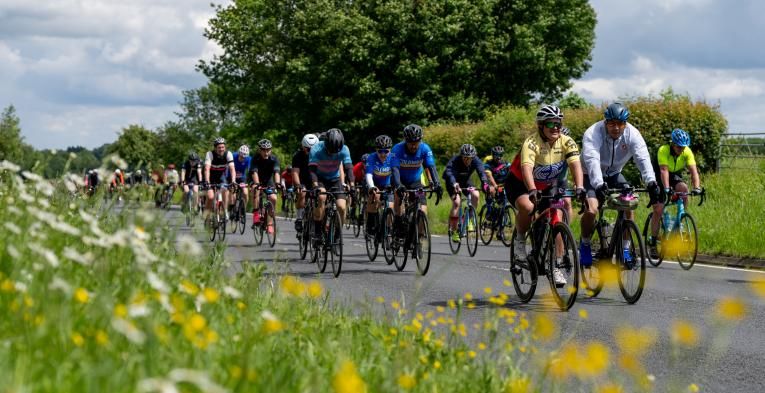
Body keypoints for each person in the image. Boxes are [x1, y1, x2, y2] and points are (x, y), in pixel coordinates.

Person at [505, 105, 586, 286]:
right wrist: (532, 189)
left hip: (548, 185)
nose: (556, 127)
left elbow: (575, 165)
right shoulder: (531, 143)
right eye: (551, 123)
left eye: (558, 123)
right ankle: (519, 241)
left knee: (556, 216)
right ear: (541, 125)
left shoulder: (567, 141)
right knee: (527, 206)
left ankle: (555, 264)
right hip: (520, 183)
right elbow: (526, 168)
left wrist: (580, 186)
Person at [579, 102, 662, 267]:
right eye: (612, 123)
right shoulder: (593, 133)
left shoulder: (633, 134)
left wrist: (651, 182)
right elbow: (592, 160)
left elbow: (642, 158)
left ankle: (625, 250)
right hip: (589, 173)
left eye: (620, 124)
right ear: (605, 122)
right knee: (592, 209)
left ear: (625, 124)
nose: (616, 128)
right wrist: (598, 184)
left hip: (614, 173)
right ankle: (585, 243)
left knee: (628, 204)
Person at [648, 128, 702, 256]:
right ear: (673, 144)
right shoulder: (663, 150)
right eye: (679, 147)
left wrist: (697, 188)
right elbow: (663, 171)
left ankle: (681, 219)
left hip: (673, 175)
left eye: (683, 147)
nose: (681, 149)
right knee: (659, 209)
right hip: (657, 176)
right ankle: (653, 242)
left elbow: (694, 171)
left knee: (684, 189)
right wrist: (666, 189)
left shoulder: (687, 151)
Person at [390, 124, 443, 236]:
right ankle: (398, 222)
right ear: (405, 141)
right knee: (398, 196)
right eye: (410, 143)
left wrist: (437, 183)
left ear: (420, 140)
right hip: (399, 179)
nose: (414, 146)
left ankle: (417, 238)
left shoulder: (425, 148)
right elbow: (394, 169)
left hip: (416, 181)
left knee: (422, 209)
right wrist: (399, 185)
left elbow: (431, 167)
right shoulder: (397, 149)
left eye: (416, 143)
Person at [308, 128, 354, 240]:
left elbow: (348, 169)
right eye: (330, 150)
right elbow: (312, 170)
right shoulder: (316, 149)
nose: (332, 153)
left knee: (342, 207)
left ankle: (337, 233)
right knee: (321, 197)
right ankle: (318, 231)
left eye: (335, 151)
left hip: (335, 179)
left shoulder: (344, 149)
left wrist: (352, 185)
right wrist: (315, 186)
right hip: (320, 178)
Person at [443, 143, 493, 242]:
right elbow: (449, 173)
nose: (467, 160)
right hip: (452, 182)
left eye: (469, 158)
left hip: (465, 181)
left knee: (476, 194)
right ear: (461, 156)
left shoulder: (476, 160)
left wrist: (485, 184)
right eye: (465, 158)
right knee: (457, 203)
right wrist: (454, 184)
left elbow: (481, 172)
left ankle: (470, 219)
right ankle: (454, 231)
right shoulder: (455, 161)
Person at [364, 135, 395, 235]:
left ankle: (388, 228)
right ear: (376, 150)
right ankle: (370, 223)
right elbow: (368, 174)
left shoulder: (393, 157)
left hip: (388, 184)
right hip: (374, 183)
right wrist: (372, 187)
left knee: (390, 206)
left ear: (390, 150)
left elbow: (397, 173)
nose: (383, 154)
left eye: (386, 151)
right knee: (374, 196)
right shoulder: (371, 158)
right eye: (380, 151)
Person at [251, 139, 281, 233]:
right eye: (263, 150)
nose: (266, 152)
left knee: (273, 198)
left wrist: (277, 183)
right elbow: (254, 172)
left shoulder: (274, 159)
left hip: (268, 181)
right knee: (255, 190)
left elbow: (276, 172)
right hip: (257, 180)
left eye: (268, 150)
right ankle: (256, 213)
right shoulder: (255, 158)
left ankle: (270, 224)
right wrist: (257, 184)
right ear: (260, 150)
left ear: (271, 150)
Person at [292, 133, 319, 232]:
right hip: (302, 180)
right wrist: (298, 185)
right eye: (308, 149)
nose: (310, 151)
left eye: (313, 148)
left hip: (316, 181)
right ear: (303, 147)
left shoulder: (320, 155)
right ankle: (299, 218)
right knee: (302, 192)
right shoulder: (298, 156)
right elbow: (295, 172)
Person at [203, 137, 236, 219]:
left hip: (221, 177)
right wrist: (207, 182)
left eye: (223, 147)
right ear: (215, 148)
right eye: (219, 147)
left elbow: (232, 169)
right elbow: (207, 169)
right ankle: (206, 215)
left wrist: (233, 181)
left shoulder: (228, 154)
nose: (221, 149)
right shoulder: (210, 154)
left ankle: (224, 210)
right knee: (210, 197)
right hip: (210, 177)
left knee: (225, 190)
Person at [227, 145, 252, 219]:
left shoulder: (249, 159)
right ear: (238, 154)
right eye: (241, 157)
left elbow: (250, 171)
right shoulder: (233, 156)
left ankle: (243, 209)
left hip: (241, 178)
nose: (242, 158)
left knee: (245, 192)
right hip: (231, 176)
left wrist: (250, 182)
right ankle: (231, 207)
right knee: (233, 191)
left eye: (244, 157)